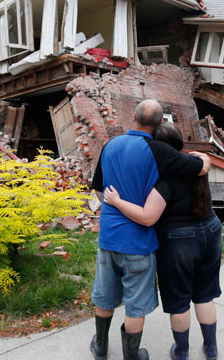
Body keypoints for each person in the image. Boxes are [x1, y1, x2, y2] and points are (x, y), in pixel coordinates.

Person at [90, 100, 210, 360]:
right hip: (138, 243)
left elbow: (99, 188)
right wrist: (205, 157)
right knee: (135, 306)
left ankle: (100, 347)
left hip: (108, 237)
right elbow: (200, 169)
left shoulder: (110, 145)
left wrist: (113, 210)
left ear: (133, 117)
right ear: (158, 124)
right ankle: (132, 356)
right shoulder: (158, 151)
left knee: (105, 295)